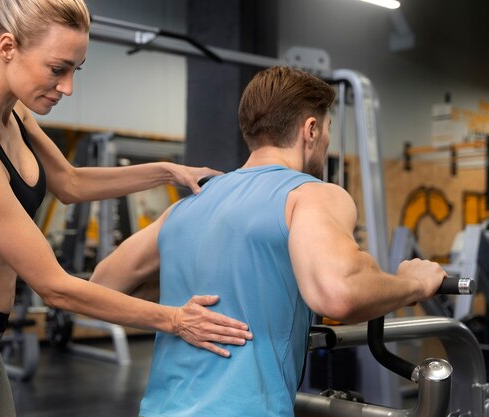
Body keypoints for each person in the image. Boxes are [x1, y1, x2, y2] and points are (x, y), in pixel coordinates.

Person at [0, 0, 254, 416]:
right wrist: (175, 320)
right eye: (58, 69)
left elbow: (70, 183)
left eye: (76, 69)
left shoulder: (14, 114)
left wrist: (167, 171)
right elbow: (53, 286)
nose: (68, 87)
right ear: (7, 48)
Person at [90, 66, 447, 417]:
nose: (325, 143)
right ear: (310, 129)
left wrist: (175, 309)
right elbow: (338, 294)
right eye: (326, 131)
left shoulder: (188, 205)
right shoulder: (309, 194)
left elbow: (102, 285)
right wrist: (414, 283)